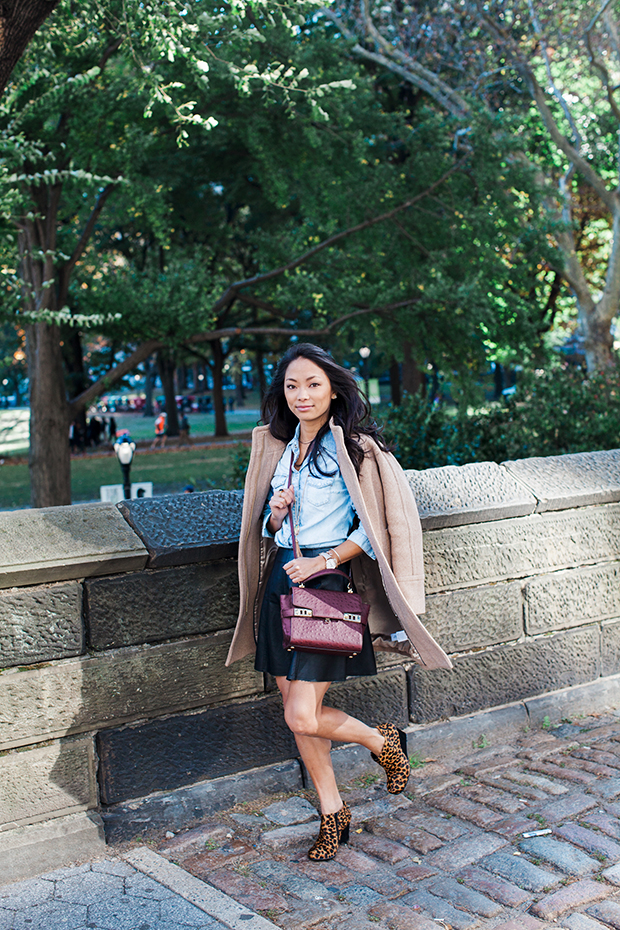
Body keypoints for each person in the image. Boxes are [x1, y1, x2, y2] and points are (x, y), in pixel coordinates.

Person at [226, 343, 451, 862]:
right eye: (292, 386)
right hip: (280, 587)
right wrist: (277, 513)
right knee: (294, 710)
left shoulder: (354, 448)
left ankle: (381, 741)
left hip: (324, 590)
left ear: (333, 389)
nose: (302, 395)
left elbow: (373, 528)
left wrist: (325, 562)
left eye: (312, 384)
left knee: (301, 715)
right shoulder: (282, 450)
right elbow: (265, 529)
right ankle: (334, 812)